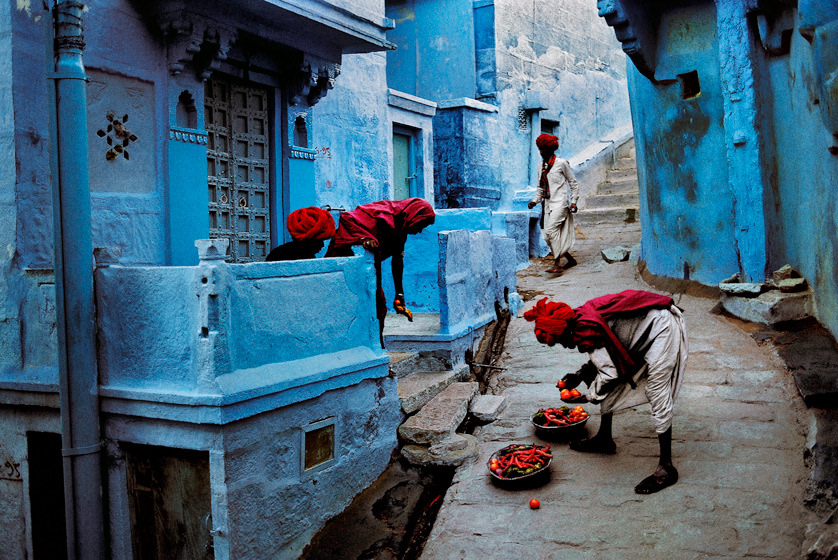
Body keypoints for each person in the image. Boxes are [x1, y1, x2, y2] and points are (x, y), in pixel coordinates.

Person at [523, 290, 689, 494]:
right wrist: (580, 374)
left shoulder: (585, 329)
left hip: (662, 328)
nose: (565, 346)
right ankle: (604, 438)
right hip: (644, 327)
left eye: (559, 341)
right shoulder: (578, 317)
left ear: (563, 330)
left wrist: (589, 396)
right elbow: (605, 352)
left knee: (657, 390)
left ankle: (666, 467)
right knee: (599, 377)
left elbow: (609, 373)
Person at [325, 198, 436, 347]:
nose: (420, 230)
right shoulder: (383, 214)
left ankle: (377, 348)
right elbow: (348, 218)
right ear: (413, 216)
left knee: (379, 306)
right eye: (421, 225)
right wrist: (364, 237)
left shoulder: (400, 228)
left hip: (370, 270)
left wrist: (399, 295)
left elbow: (397, 260)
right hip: (345, 264)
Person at [527, 133, 580, 274]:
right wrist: (534, 201)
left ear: (551, 149)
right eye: (540, 149)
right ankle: (569, 259)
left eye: (544, 149)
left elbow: (573, 183)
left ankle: (557, 263)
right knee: (547, 236)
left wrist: (573, 202)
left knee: (551, 231)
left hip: (561, 203)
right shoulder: (540, 167)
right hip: (548, 204)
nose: (541, 152)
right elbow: (540, 188)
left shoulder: (562, 163)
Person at [265, 206, 336, 262]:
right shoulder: (307, 259)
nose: (322, 245)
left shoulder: (276, 253)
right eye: (319, 241)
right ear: (308, 240)